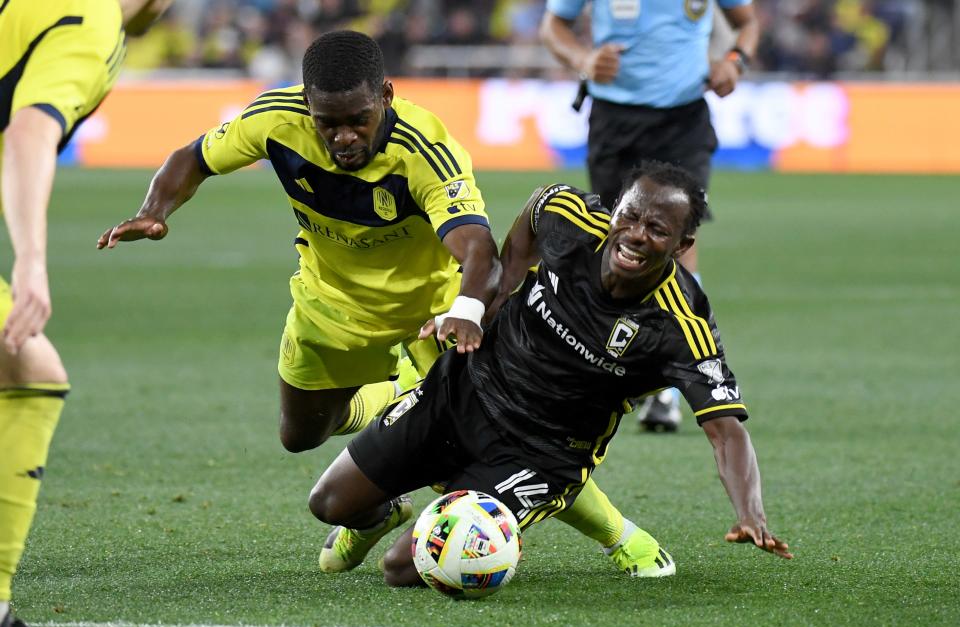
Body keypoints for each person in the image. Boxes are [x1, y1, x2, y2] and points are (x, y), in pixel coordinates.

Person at [96, 30, 655, 581]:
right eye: (327, 122)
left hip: (431, 313)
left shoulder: (425, 151)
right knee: (301, 435)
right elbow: (192, 157)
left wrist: (466, 308)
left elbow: (478, 248)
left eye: (357, 119)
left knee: (500, 439)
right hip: (330, 304)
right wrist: (155, 209)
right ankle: (384, 492)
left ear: (385, 96)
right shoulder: (274, 119)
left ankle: (620, 537)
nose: (342, 137)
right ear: (306, 104)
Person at [308, 160, 792, 588]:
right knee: (329, 503)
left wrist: (750, 513)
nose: (636, 234)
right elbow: (515, 255)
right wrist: (474, 311)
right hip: (462, 391)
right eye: (630, 215)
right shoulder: (566, 214)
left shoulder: (679, 326)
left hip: (539, 452)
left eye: (658, 229)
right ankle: (380, 515)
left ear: (684, 244)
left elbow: (726, 432)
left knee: (403, 569)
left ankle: (613, 533)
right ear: (615, 206)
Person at [0, 1, 173, 627]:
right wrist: (32, 263)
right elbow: (26, 133)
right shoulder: (91, 22)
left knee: (24, 365)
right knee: (27, 368)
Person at [540, 0, 760, 433]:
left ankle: (670, 385)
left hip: (684, 122)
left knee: (675, 247)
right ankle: (604, 365)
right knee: (617, 247)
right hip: (612, 121)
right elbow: (554, 26)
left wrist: (735, 61)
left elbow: (747, 23)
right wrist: (584, 59)